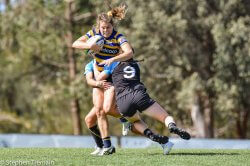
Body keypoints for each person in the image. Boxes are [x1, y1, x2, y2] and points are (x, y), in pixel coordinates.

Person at [72, 3, 133, 155]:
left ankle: (125, 118)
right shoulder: (94, 33)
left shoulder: (118, 37)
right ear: (99, 26)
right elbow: (75, 43)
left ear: (112, 26)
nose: (105, 31)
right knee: (98, 113)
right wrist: (90, 46)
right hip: (98, 76)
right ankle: (106, 146)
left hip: (112, 76)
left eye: (108, 28)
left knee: (106, 109)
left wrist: (113, 59)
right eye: (102, 28)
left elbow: (129, 52)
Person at [84, 60, 174, 155]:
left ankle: (109, 144)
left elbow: (104, 78)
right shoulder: (90, 64)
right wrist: (96, 78)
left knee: (108, 112)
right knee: (89, 120)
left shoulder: (110, 61)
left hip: (119, 96)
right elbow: (90, 80)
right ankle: (101, 145)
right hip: (106, 96)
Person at [100, 58, 191, 141]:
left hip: (123, 101)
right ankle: (172, 126)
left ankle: (150, 135)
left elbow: (99, 78)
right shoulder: (136, 65)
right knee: (166, 117)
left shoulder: (112, 64)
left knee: (135, 121)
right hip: (138, 95)